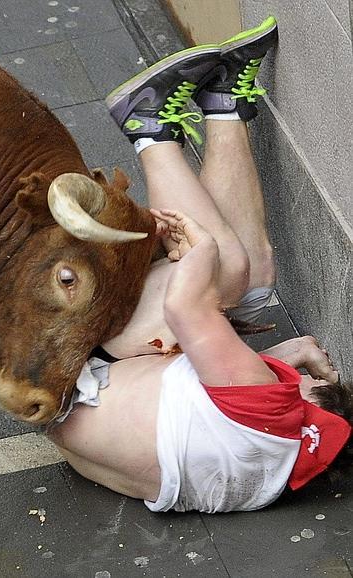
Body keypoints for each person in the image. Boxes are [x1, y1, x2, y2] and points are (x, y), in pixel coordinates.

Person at [47, 17, 352, 513]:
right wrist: (285, 354)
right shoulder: (267, 478)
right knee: (255, 283)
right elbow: (204, 410)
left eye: (316, 385)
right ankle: (224, 101)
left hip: (67, 361)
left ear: (312, 398)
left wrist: (201, 248)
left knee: (227, 268)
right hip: (74, 408)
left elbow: (188, 310)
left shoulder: (273, 407)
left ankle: (148, 130)